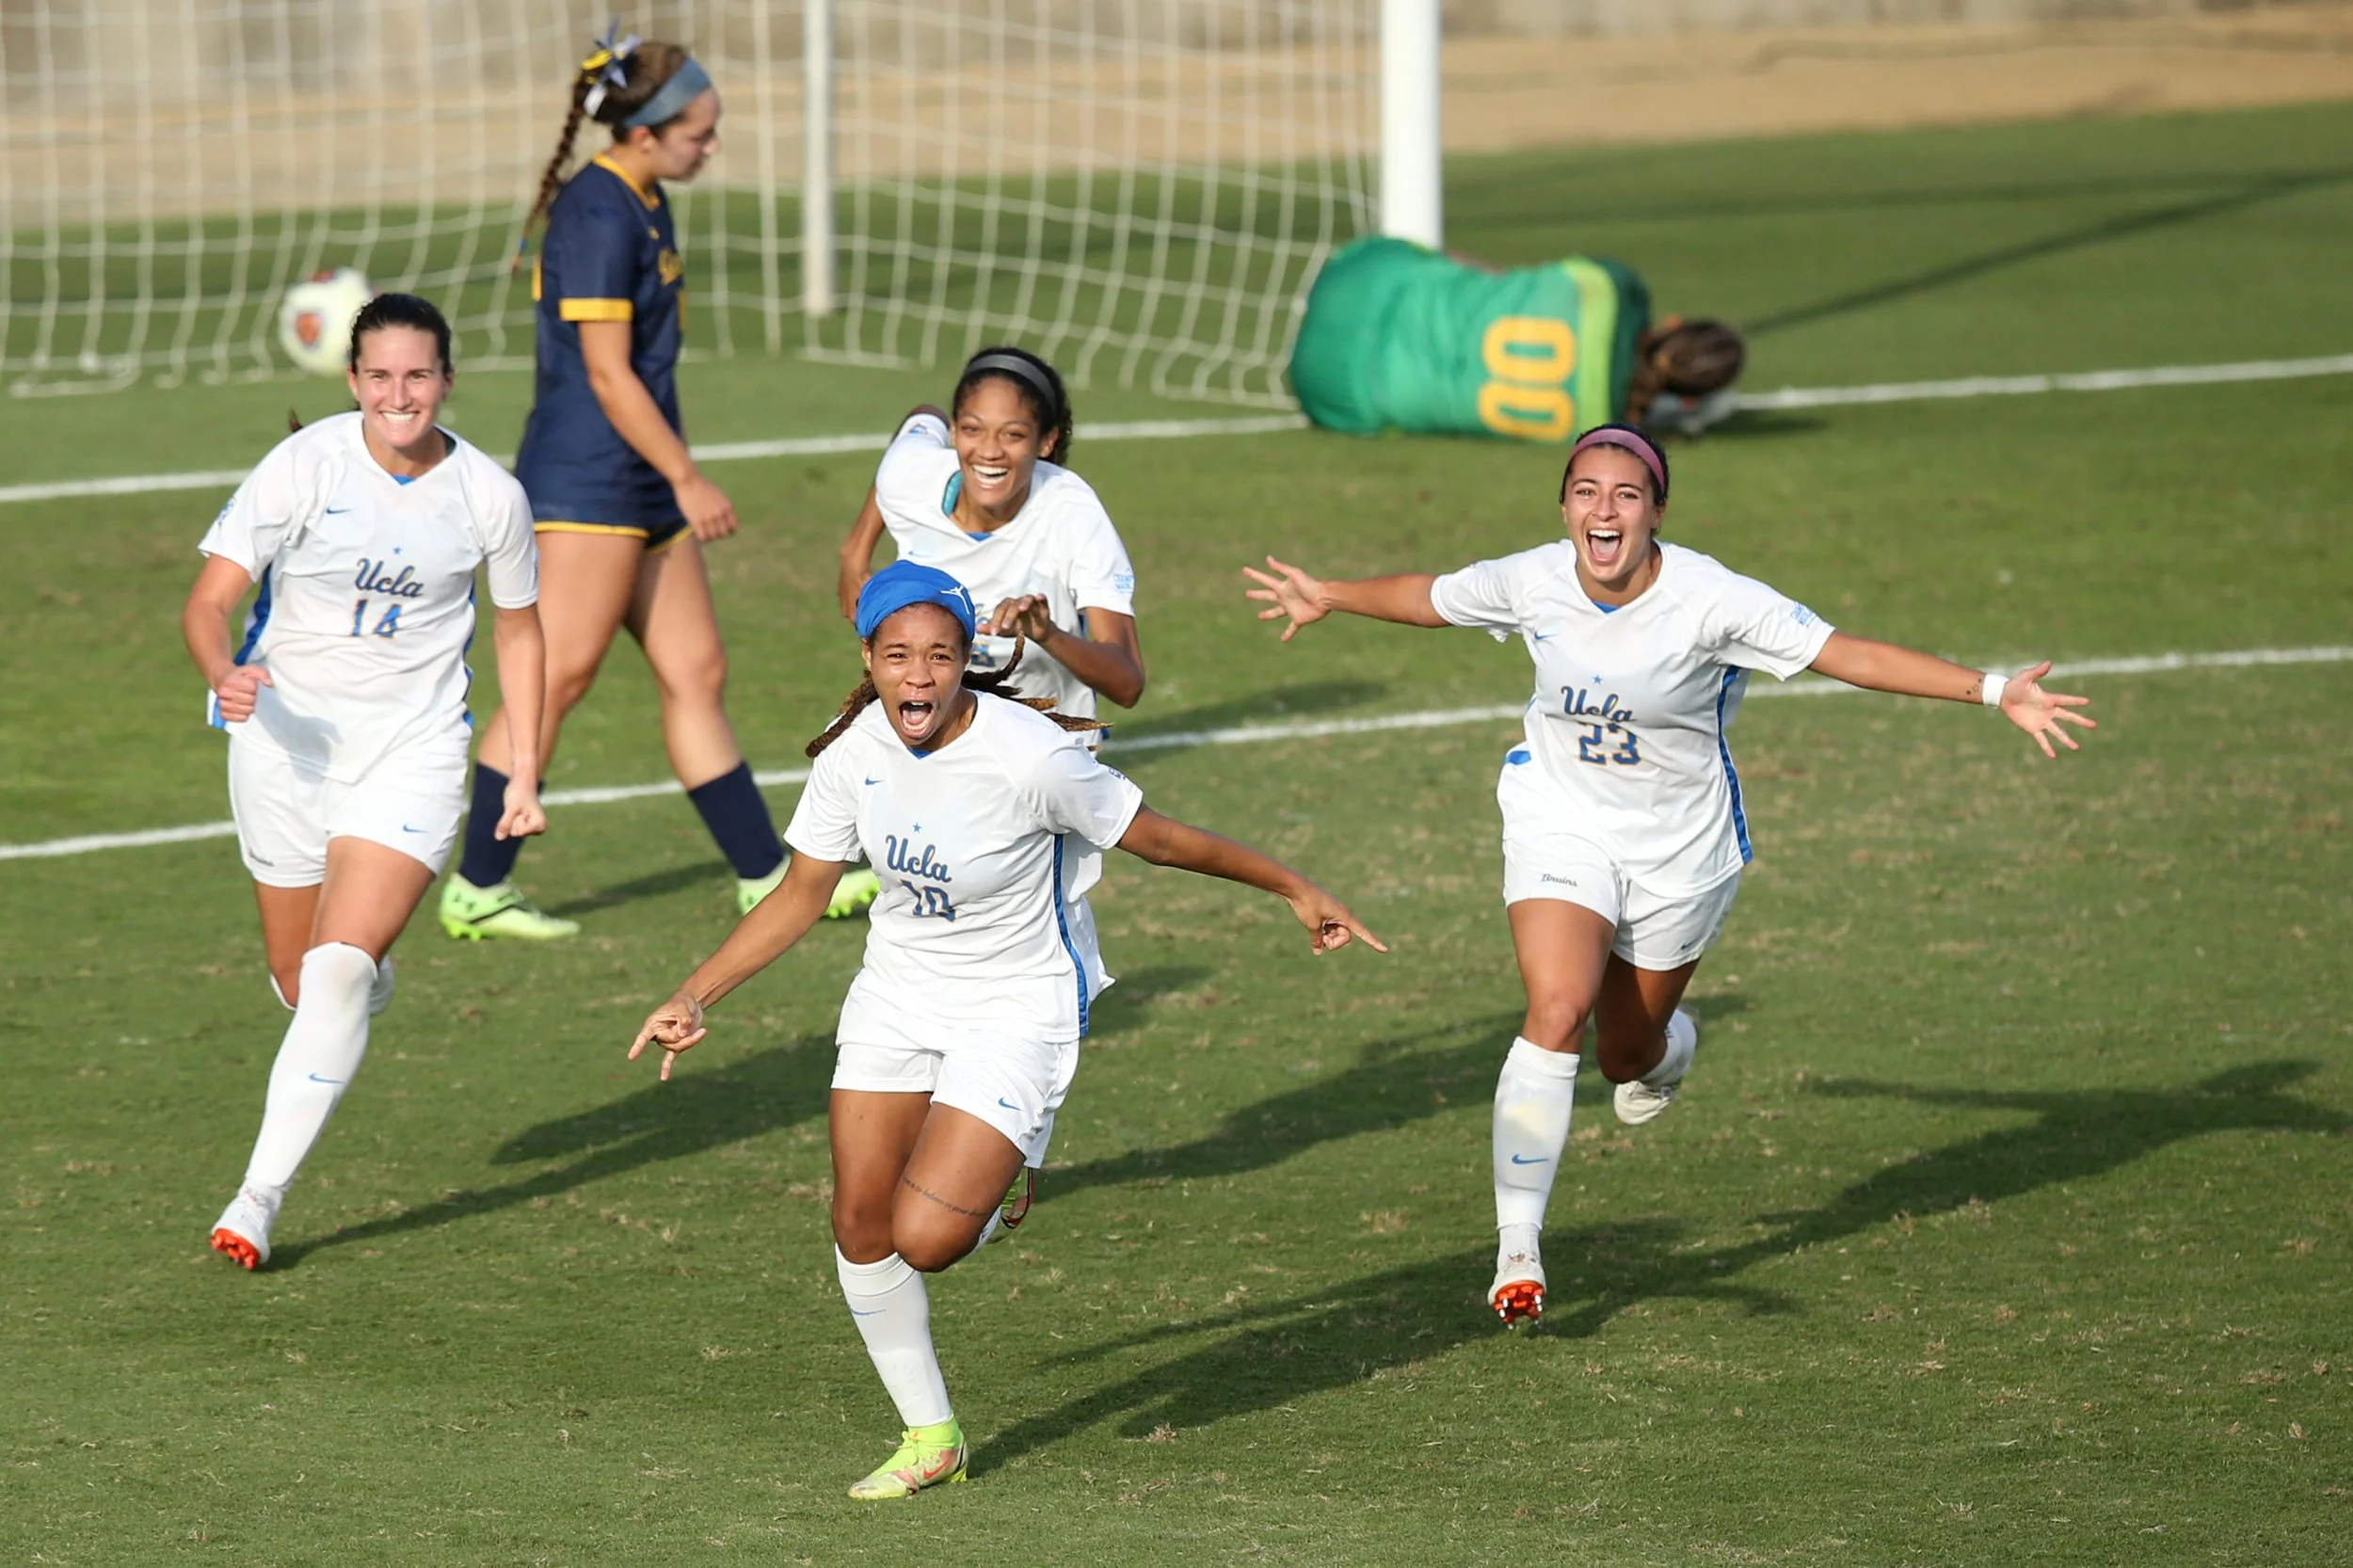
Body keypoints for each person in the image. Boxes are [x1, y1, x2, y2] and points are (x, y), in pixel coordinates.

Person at [1242, 422, 2094, 1325]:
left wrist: (1995, 689)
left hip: (1679, 849)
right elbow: (1434, 597)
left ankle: (1669, 1048)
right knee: (1555, 1012)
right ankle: (1518, 1248)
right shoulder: (1534, 579)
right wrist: (1328, 595)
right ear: (1565, 506)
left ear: (1655, 511)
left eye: (1625, 495)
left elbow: (1851, 655)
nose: (1602, 511)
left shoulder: (1715, 600)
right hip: (1561, 822)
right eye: (1585, 492)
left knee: (1624, 1054)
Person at [629, 561, 1383, 1498]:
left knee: (930, 1237)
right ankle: (930, 1435)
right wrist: (696, 993)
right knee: (863, 1226)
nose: (918, 675)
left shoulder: (1031, 756)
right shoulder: (854, 751)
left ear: (962, 662)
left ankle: (999, 1170)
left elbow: (1160, 837)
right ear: (868, 658)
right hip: (898, 994)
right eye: (897, 655)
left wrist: (1293, 888)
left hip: (1017, 1004)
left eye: (939, 656)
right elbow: (800, 894)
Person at [181, 294, 547, 1269]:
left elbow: (519, 629)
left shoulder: (489, 496)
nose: (400, 394)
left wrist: (525, 768)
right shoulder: (303, 466)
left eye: (418, 375)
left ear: (447, 381)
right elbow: (211, 600)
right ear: (351, 382)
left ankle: (257, 1199)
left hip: (413, 753)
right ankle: (359, 972)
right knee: (304, 981)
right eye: (380, 376)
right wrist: (223, 672)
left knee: (337, 970)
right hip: (283, 748)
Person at [439, 29, 800, 940]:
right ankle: (478, 883)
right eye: (699, 133)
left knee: (696, 670)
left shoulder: (642, 194)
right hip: (589, 479)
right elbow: (606, 373)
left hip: (638, 475)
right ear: (643, 133)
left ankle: (767, 874)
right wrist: (686, 475)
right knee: (557, 678)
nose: (711, 145)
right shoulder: (598, 215)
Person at [832, 346, 1147, 915]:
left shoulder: (1071, 515)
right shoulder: (911, 478)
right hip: (936, 732)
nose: (989, 452)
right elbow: (917, 419)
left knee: (1009, 929)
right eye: (973, 429)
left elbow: (1126, 681)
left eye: (1014, 435)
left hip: (1042, 753)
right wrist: (855, 552)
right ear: (954, 433)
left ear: (1046, 442)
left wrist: (1046, 631)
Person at [1287, 234, 1746, 442]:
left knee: (1476, 279)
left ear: (1672, 324)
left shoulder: (1616, 287)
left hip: (1361, 278)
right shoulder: (1598, 427)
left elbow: (1505, 279)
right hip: (1336, 397)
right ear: (1686, 402)